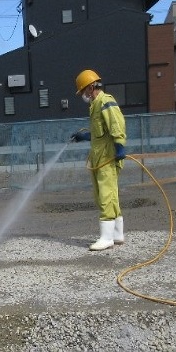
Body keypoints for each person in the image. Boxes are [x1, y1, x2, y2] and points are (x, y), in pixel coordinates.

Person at [69, 69, 127, 251]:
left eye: (84, 91)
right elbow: (99, 133)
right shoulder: (95, 105)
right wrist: (84, 136)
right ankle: (117, 235)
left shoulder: (105, 101)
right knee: (109, 195)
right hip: (99, 156)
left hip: (107, 157)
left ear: (91, 86)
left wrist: (119, 146)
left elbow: (116, 124)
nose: (83, 95)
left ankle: (107, 238)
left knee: (106, 195)